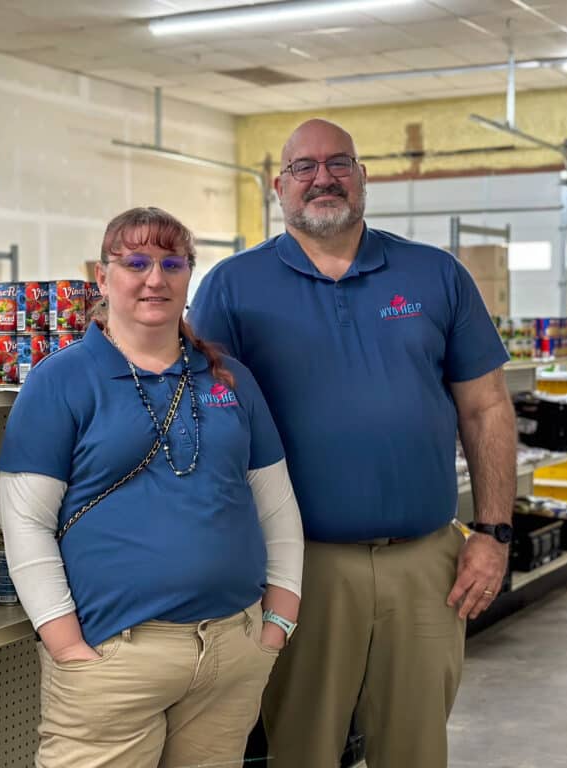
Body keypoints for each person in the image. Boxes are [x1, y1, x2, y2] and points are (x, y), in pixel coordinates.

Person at [189, 119, 517, 768]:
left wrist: (493, 532)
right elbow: (206, 424)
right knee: (302, 746)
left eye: (339, 163)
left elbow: (487, 407)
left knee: (416, 747)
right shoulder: (233, 287)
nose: (322, 178)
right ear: (280, 186)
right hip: (298, 568)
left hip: (427, 566)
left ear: (364, 177)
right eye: (303, 167)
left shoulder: (435, 276)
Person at [0, 206, 304, 768]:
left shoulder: (230, 378)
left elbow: (276, 506)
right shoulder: (59, 380)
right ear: (102, 276)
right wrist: (65, 644)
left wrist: (278, 620)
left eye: (172, 263)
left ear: (190, 275)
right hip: (114, 658)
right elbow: (25, 523)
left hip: (232, 649)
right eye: (135, 262)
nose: (154, 278)